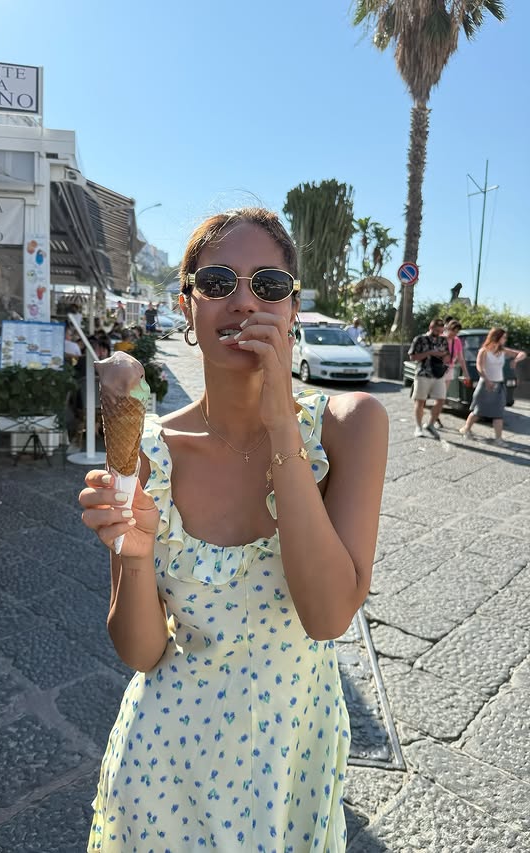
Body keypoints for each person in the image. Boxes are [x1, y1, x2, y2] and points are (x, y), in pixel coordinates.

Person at [79, 207, 388, 852]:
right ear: (186, 307)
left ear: (293, 308)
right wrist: (134, 554)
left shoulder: (349, 425)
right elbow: (141, 653)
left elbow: (328, 616)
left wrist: (280, 423)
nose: (244, 301)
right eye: (217, 282)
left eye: (268, 285)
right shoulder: (150, 452)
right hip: (163, 768)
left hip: (290, 764)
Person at [459, 327, 526, 445]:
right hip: (485, 385)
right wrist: (487, 380)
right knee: (478, 411)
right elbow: (479, 367)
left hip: (499, 385)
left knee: (498, 413)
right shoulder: (484, 351)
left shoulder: (503, 350)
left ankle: (498, 439)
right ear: (497, 337)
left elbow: (522, 354)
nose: (505, 339)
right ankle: (466, 429)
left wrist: (515, 360)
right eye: (503, 337)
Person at [408, 317, 449, 439]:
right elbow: (412, 357)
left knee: (441, 399)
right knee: (420, 401)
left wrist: (442, 356)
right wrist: (430, 353)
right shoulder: (420, 339)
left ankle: (431, 424)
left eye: (441, 331)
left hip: (438, 374)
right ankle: (418, 427)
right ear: (431, 327)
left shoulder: (443, 340)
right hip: (423, 373)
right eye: (437, 330)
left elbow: (447, 356)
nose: (439, 333)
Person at [435, 320, 470, 428]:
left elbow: (461, 358)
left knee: (442, 396)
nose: (454, 334)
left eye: (456, 332)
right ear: (448, 329)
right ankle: (435, 417)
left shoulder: (457, 341)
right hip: (437, 369)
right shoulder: (440, 338)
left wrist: (466, 373)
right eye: (453, 331)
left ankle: (436, 417)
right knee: (439, 395)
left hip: (449, 369)